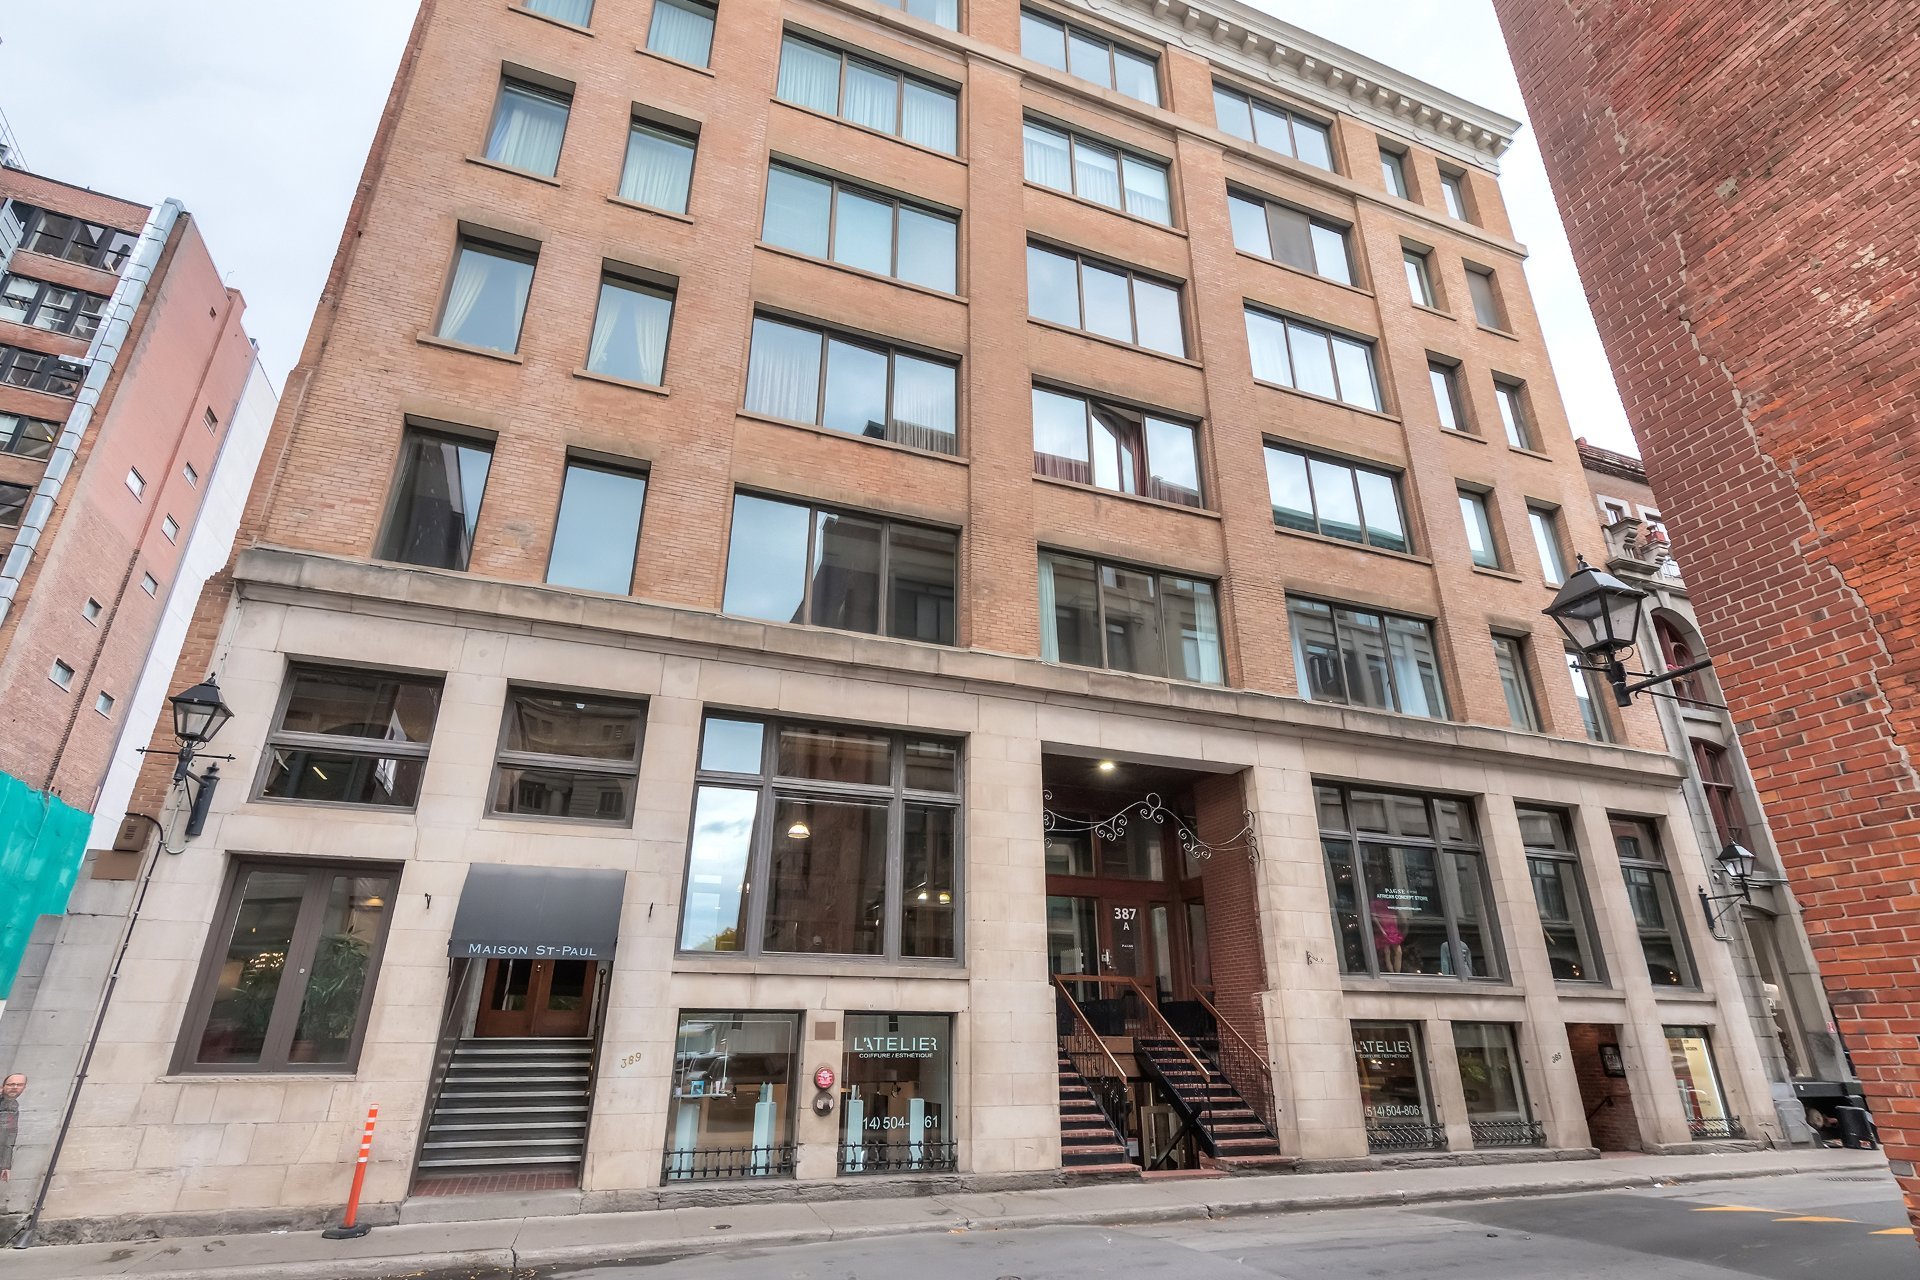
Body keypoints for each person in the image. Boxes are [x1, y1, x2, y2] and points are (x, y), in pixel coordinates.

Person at [1, 1073, 25, 1181]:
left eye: (19, 1085)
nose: (15, 1087)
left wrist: (5, 1165)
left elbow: (9, 1135)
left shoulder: (12, 1105)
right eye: (11, 1084)